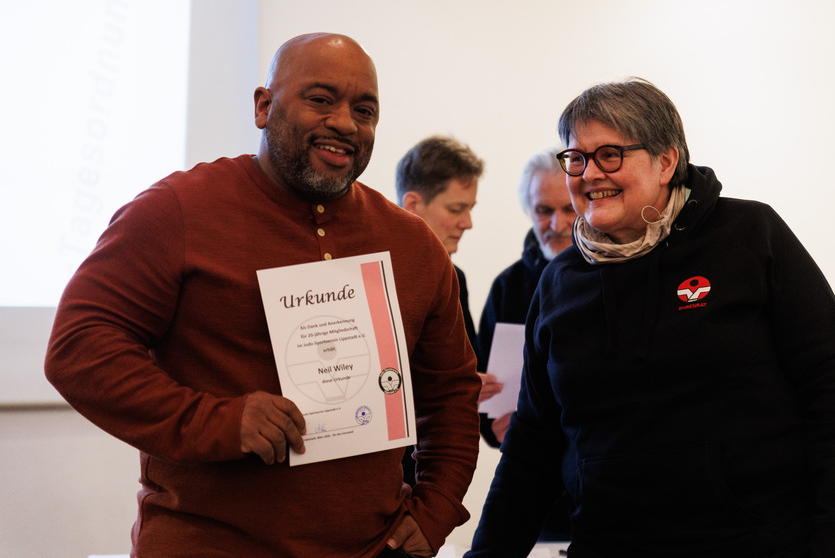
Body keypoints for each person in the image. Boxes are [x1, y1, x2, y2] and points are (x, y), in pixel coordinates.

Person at [45, 33, 481, 558]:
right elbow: (80, 349)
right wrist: (220, 422)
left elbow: (451, 393)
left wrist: (436, 510)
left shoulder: (412, 245)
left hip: (370, 548)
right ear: (263, 106)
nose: (345, 123)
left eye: (364, 111)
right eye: (320, 99)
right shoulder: (176, 212)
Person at [466, 78, 835, 557]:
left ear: (666, 162)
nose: (589, 173)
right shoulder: (559, 282)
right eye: (576, 158)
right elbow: (531, 448)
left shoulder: (749, 237)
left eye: (609, 155)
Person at [474, 146, 576, 541]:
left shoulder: (618, 276)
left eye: (568, 209)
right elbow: (485, 400)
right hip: (539, 501)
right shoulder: (509, 286)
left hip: (612, 495)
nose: (556, 223)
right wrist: (495, 426)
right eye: (543, 210)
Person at [395, 135, 502, 465]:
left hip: (437, 465)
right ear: (413, 205)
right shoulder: (367, 279)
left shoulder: (456, 279)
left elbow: (469, 372)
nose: (467, 223)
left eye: (470, 209)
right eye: (456, 209)